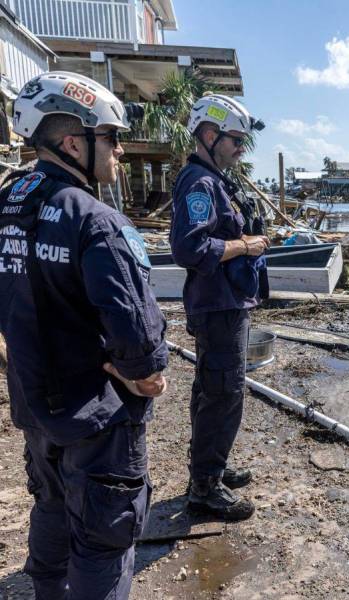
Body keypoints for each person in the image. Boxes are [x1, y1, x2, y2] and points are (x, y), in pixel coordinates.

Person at [0, 71, 168, 599]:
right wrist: (145, 372)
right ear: (73, 142)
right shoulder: (95, 221)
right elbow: (137, 331)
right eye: (111, 138)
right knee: (103, 543)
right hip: (95, 419)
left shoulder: (6, 204)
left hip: (36, 407)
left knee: (50, 508)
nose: (119, 151)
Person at [170, 94, 268, 521]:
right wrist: (245, 245)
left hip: (227, 303)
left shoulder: (214, 180)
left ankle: (211, 467)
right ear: (209, 136)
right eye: (235, 141)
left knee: (214, 391)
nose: (240, 150)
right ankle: (204, 488)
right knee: (224, 394)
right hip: (218, 306)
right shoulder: (200, 183)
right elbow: (188, 247)